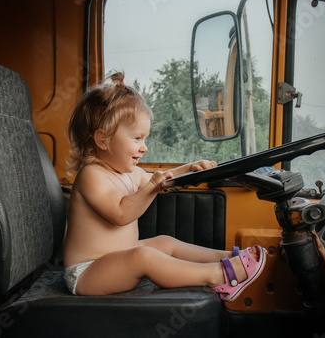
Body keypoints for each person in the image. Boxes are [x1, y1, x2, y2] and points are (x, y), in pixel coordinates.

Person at [63, 72, 267, 301]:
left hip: (115, 262)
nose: (144, 148)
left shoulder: (129, 173)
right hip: (88, 273)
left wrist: (189, 169)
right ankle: (218, 275)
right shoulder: (91, 175)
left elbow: (163, 178)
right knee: (144, 257)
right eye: (137, 138)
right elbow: (120, 214)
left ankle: (227, 257)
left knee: (164, 242)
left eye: (145, 139)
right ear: (102, 140)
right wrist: (152, 186)